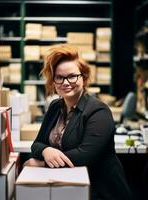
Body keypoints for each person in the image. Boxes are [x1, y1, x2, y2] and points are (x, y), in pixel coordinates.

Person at [25, 44, 132, 200]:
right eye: (59, 77)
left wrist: (41, 164)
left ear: (84, 78)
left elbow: (84, 156)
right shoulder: (55, 106)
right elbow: (37, 144)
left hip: (102, 192)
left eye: (72, 76)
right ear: (53, 81)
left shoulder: (99, 111)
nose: (66, 82)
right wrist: (46, 151)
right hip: (70, 188)